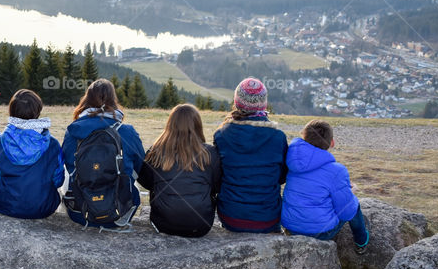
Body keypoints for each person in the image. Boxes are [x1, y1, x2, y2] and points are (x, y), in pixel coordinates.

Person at [62, 78, 145, 230]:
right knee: (130, 177)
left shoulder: (73, 130)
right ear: (113, 100)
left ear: (86, 99)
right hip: (120, 214)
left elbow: (68, 165)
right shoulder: (127, 131)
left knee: (69, 174)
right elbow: (141, 168)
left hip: (80, 213)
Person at [212, 77, 287, 233]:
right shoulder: (278, 137)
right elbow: (281, 177)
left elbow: (217, 177)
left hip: (230, 216)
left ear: (237, 102)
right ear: (264, 103)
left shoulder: (221, 135)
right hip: (268, 217)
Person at [281, 120, 369, 251]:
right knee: (353, 205)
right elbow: (346, 212)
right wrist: (350, 193)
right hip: (319, 233)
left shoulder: (290, 160)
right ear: (332, 143)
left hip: (289, 226)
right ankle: (361, 243)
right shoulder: (337, 171)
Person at [138, 104, 222, 237]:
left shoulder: (156, 152)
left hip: (163, 224)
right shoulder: (210, 153)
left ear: (170, 125)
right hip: (201, 225)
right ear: (197, 125)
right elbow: (218, 186)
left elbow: (146, 182)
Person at [0, 89, 65, 219]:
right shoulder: (52, 144)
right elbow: (58, 181)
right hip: (44, 207)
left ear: (11, 111)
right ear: (38, 111)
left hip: (7, 206)